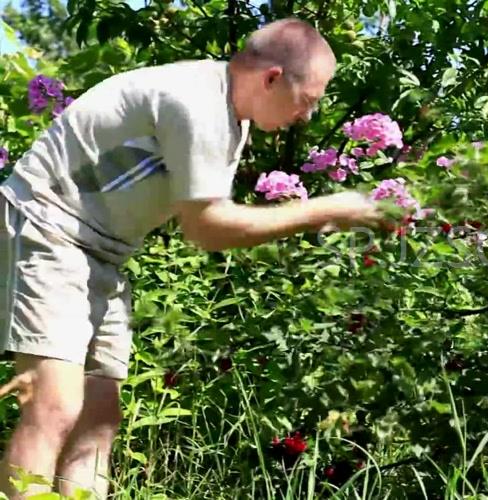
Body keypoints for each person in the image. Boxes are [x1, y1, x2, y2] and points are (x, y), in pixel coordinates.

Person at [0, 17, 382, 498]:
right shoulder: (196, 102)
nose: (307, 115)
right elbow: (207, 229)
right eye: (308, 100)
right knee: (53, 406)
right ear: (272, 79)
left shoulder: (230, 119)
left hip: (103, 254)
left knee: (99, 420)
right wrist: (327, 209)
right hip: (45, 225)